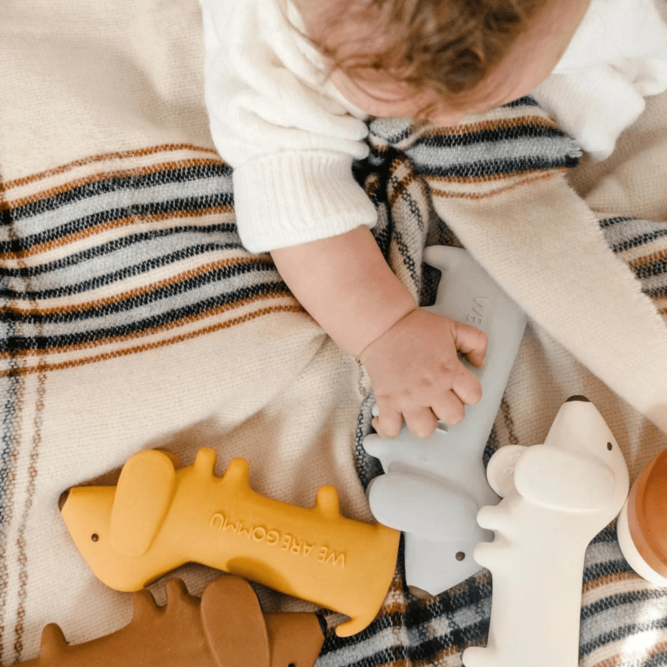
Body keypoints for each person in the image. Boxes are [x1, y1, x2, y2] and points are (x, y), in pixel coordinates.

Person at [200, 0, 667, 440]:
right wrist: (383, 330)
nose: (448, 116)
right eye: (401, 95)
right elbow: (293, 192)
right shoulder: (271, 36)